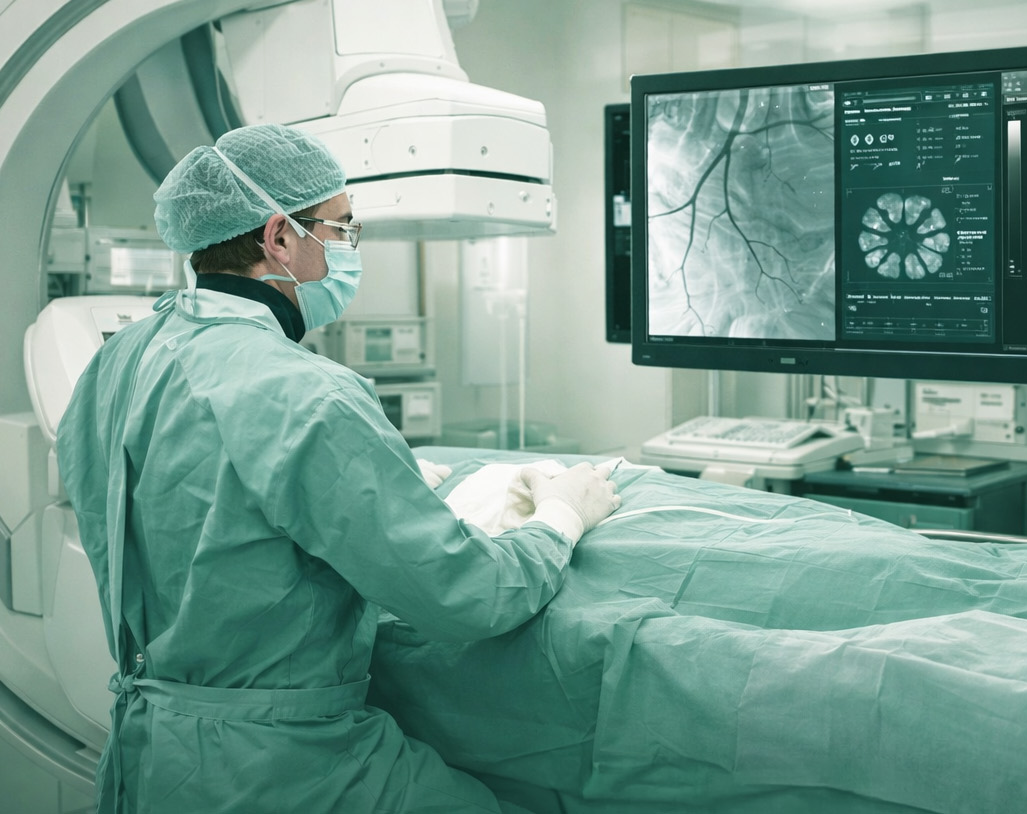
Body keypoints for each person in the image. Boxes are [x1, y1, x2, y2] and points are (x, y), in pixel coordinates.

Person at [55, 123, 619, 814]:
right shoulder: (308, 393)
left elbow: (198, 505)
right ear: (280, 239)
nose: (350, 249)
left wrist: (372, 481)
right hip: (284, 768)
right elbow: (467, 595)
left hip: (154, 759)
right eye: (341, 229)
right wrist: (562, 515)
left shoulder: (119, 360)